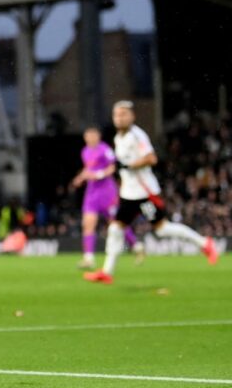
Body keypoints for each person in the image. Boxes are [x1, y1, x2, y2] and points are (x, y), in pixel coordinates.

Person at [84, 101, 219, 284]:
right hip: (128, 194)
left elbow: (151, 158)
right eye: (117, 115)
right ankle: (107, 272)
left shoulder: (137, 135)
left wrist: (129, 165)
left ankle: (205, 243)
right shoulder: (118, 138)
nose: (120, 118)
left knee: (162, 230)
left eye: (123, 114)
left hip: (145, 194)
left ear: (132, 116)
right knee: (115, 228)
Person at [70, 126, 119, 269]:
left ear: (98, 136)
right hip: (92, 192)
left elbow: (112, 167)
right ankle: (89, 258)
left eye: (92, 136)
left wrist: (98, 175)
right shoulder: (84, 151)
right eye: (87, 136)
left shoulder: (105, 149)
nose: (89, 139)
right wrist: (80, 178)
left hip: (107, 191)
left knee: (115, 223)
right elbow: (88, 169)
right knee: (88, 224)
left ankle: (135, 245)